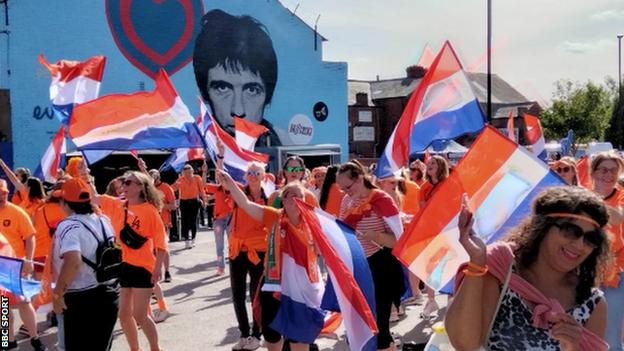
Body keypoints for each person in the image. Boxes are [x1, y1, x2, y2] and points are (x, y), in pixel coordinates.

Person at [446, 186, 610, 350]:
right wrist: (476, 262)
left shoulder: (593, 304)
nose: (580, 245)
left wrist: (573, 348)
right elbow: (464, 344)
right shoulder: (501, 268)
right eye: (571, 231)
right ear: (543, 227)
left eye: (591, 238)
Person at [219, 170, 322, 351]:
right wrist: (230, 182)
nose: (295, 199)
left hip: (300, 288)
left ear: (305, 200)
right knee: (272, 336)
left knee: (299, 337)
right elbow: (245, 203)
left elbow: (325, 251)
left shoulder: (313, 223)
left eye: (299, 196)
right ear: (282, 200)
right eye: (290, 195)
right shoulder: (273, 216)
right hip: (274, 285)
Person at [336, 161, 404, 351]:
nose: (345, 192)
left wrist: (377, 236)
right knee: (362, 327)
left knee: (380, 328)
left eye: (347, 187)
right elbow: (342, 231)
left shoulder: (382, 200)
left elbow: (399, 241)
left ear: (359, 178)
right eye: (342, 189)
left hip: (382, 265)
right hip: (358, 266)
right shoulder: (346, 201)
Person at [193, 9, 280, 146]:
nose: (238, 111)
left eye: (251, 90)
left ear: (268, 96)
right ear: (205, 94)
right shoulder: (190, 149)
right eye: (222, 88)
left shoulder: (286, 146)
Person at [100, 171, 167, 351]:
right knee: (123, 315)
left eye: (129, 182)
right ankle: (135, 349)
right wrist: (84, 174)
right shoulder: (118, 205)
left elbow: (161, 244)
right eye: (124, 182)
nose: (125, 185)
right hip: (123, 266)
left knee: (140, 315)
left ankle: (155, 348)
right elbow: (94, 198)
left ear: (140, 187)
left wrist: (157, 268)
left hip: (143, 267)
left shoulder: (150, 211)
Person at [52, 177, 119, 351]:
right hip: (110, 294)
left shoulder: (68, 225)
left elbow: (73, 261)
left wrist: (58, 294)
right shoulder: (104, 220)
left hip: (81, 299)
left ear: (66, 203)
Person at [0, 179, 47, 351]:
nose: (3, 196)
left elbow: (30, 236)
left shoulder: (16, 212)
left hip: (16, 265)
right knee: (2, 305)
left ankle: (35, 338)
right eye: (0, 193)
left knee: (24, 302)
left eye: (5, 193)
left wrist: (28, 259)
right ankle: (7, 340)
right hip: (0, 268)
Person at [590, 152, 624, 350]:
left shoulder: (620, 195)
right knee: (584, 333)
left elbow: (618, 218)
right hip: (584, 275)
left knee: (610, 337)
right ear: (593, 172)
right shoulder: (582, 194)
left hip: (614, 276)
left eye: (614, 170)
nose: (608, 174)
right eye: (603, 169)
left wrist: (591, 201)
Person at [148, 169, 177, 283]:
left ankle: (167, 271)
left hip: (163, 221)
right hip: (149, 222)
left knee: (162, 248)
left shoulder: (166, 188)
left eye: (153, 177)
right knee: (152, 249)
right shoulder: (148, 189)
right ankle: (154, 272)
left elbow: (174, 206)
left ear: (158, 177)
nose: (152, 179)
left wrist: (160, 205)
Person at [172, 164, 206, 249]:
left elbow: (202, 190)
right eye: (185, 172)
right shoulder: (180, 179)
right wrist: (175, 185)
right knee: (184, 221)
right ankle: (186, 240)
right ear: (183, 172)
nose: (187, 174)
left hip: (194, 201)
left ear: (192, 171)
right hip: (184, 202)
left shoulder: (197, 178)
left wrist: (204, 201)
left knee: (193, 221)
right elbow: (172, 189)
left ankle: (193, 239)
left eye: (189, 172)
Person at [205, 180, 232, 276]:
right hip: (218, 220)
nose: (223, 182)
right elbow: (204, 185)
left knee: (232, 245)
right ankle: (221, 268)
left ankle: (234, 269)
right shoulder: (217, 188)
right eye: (222, 180)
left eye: (225, 179)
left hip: (230, 219)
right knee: (219, 246)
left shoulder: (233, 189)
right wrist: (204, 172)